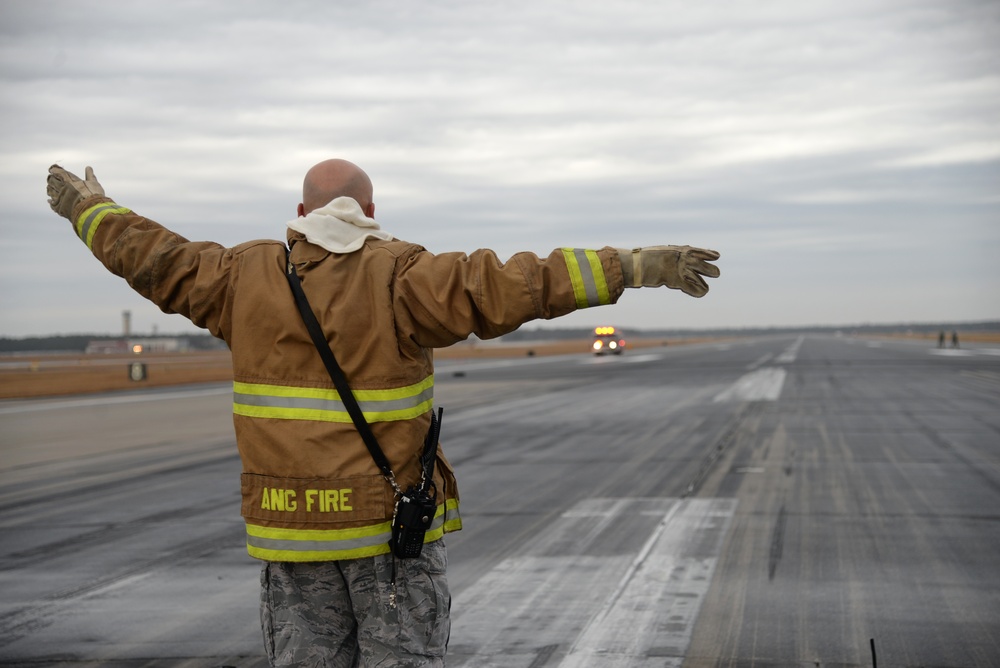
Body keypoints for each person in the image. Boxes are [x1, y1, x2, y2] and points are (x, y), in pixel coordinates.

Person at [46, 159, 721, 667]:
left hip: (292, 534)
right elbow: (513, 284)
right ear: (370, 209)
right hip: (388, 535)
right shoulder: (401, 274)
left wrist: (91, 210)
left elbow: (153, 258)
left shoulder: (238, 277)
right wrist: (631, 266)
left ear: (301, 210)